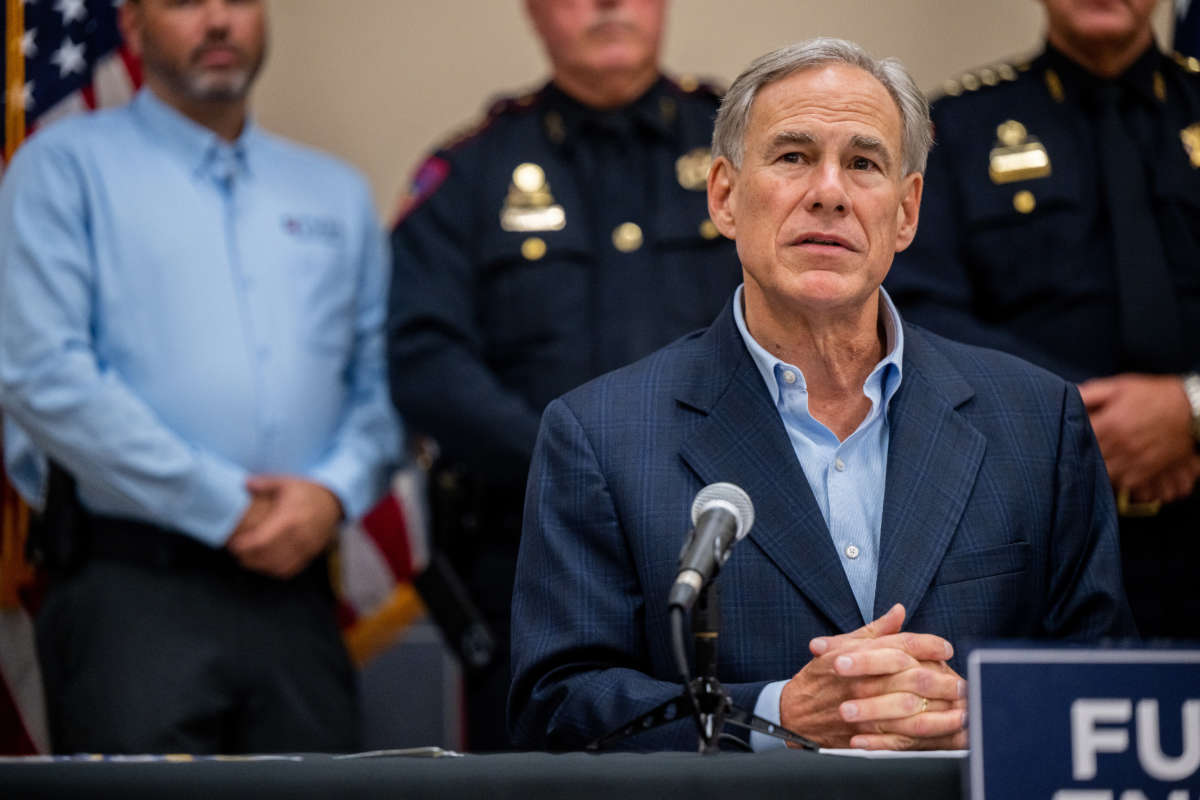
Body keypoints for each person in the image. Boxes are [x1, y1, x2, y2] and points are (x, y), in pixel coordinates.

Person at [508, 37, 1137, 753]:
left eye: (864, 164)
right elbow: (555, 710)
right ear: (723, 196)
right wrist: (774, 713)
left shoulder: (1038, 420)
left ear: (906, 213)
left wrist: (985, 713)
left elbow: (1106, 688)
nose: (829, 192)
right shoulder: (599, 435)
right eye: (793, 157)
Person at [0, 0, 400, 754]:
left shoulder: (333, 193)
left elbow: (380, 390)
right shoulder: (62, 168)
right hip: (131, 589)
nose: (218, 21)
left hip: (299, 591)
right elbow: (41, 374)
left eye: (239, 0)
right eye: (185, 1)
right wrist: (225, 508)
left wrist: (334, 493)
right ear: (131, 28)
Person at [387, 0, 740, 750]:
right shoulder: (472, 172)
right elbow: (422, 358)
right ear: (534, 12)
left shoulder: (743, 151)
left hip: (730, 553)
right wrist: (578, 467)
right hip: (532, 563)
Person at [884, 0, 1200, 640]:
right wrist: (1071, 415)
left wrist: (1190, 408)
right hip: (1033, 521)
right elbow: (915, 309)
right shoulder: (960, 129)